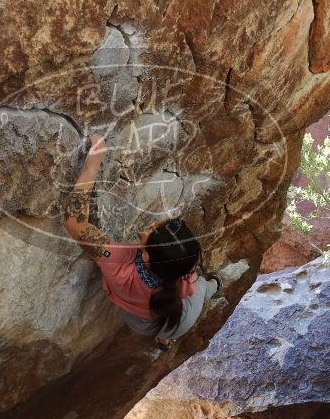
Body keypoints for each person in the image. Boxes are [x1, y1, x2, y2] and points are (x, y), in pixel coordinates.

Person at [63, 133, 222, 349]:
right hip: (183, 319)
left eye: (154, 229)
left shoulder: (119, 266)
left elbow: (74, 222)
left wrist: (92, 167)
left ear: (146, 255)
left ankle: (165, 335)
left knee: (189, 295)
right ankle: (213, 287)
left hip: (141, 324)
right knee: (202, 285)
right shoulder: (184, 276)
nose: (154, 224)